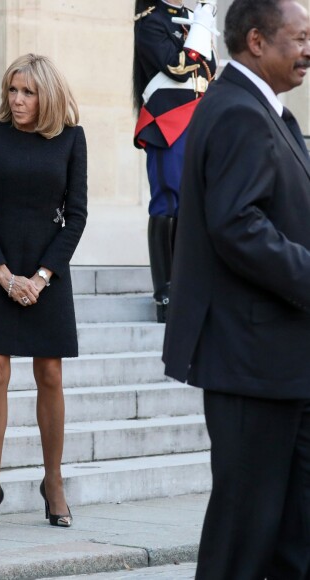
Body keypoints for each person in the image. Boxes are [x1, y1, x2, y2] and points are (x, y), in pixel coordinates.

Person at [162, 0, 310, 577]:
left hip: (282, 362)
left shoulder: (270, 113)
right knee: (243, 538)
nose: (307, 50)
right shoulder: (237, 113)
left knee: (294, 536)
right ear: (256, 40)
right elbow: (238, 226)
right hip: (251, 362)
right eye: (298, 38)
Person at [0, 53, 87, 532]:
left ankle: (53, 482)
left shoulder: (71, 139)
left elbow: (77, 215)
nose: (17, 99)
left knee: (49, 373)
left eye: (27, 91)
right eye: (13, 90)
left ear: (46, 93)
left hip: (48, 269)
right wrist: (4, 275)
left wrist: (42, 276)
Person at [133, 0, 217, 322]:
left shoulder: (190, 18)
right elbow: (178, 66)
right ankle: (165, 292)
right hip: (167, 121)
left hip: (198, 121)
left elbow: (208, 72)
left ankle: (188, 284)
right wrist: (200, 27)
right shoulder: (151, 22)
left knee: (194, 205)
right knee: (168, 200)